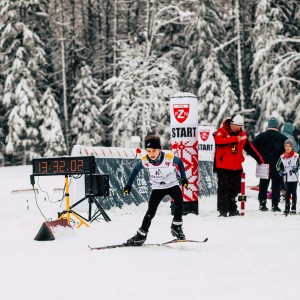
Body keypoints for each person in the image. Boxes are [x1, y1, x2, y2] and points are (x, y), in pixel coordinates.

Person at [123, 135, 188, 246]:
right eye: (148, 151)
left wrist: (183, 178)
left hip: (172, 184)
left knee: (180, 203)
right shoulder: (145, 160)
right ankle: (141, 235)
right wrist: (128, 185)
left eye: (154, 151)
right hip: (158, 187)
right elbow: (135, 170)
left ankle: (176, 227)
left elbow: (180, 162)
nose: (151, 154)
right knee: (150, 212)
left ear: (159, 150)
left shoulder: (168, 157)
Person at [214, 114, 264, 217]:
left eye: (240, 126)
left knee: (236, 189)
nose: (238, 128)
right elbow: (218, 141)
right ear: (231, 124)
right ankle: (223, 211)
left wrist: (260, 160)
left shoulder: (243, 135)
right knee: (224, 189)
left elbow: (250, 148)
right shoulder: (221, 131)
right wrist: (235, 139)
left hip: (236, 167)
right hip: (223, 167)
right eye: (236, 125)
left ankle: (233, 208)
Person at [253, 117, 287, 212]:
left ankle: (262, 204)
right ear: (277, 126)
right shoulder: (282, 138)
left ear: (268, 125)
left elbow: (252, 148)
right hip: (278, 165)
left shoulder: (260, 136)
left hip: (263, 164)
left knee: (263, 184)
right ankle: (275, 205)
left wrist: (259, 157)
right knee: (276, 185)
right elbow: (288, 151)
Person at [276, 139, 300, 214]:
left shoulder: (296, 155)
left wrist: (296, 168)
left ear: (292, 147)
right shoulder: (282, 156)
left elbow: (299, 164)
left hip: (294, 177)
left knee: (294, 193)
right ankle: (287, 208)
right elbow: (277, 165)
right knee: (287, 193)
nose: (288, 147)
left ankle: (293, 208)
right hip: (286, 177)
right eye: (286, 146)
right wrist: (280, 171)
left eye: (289, 146)